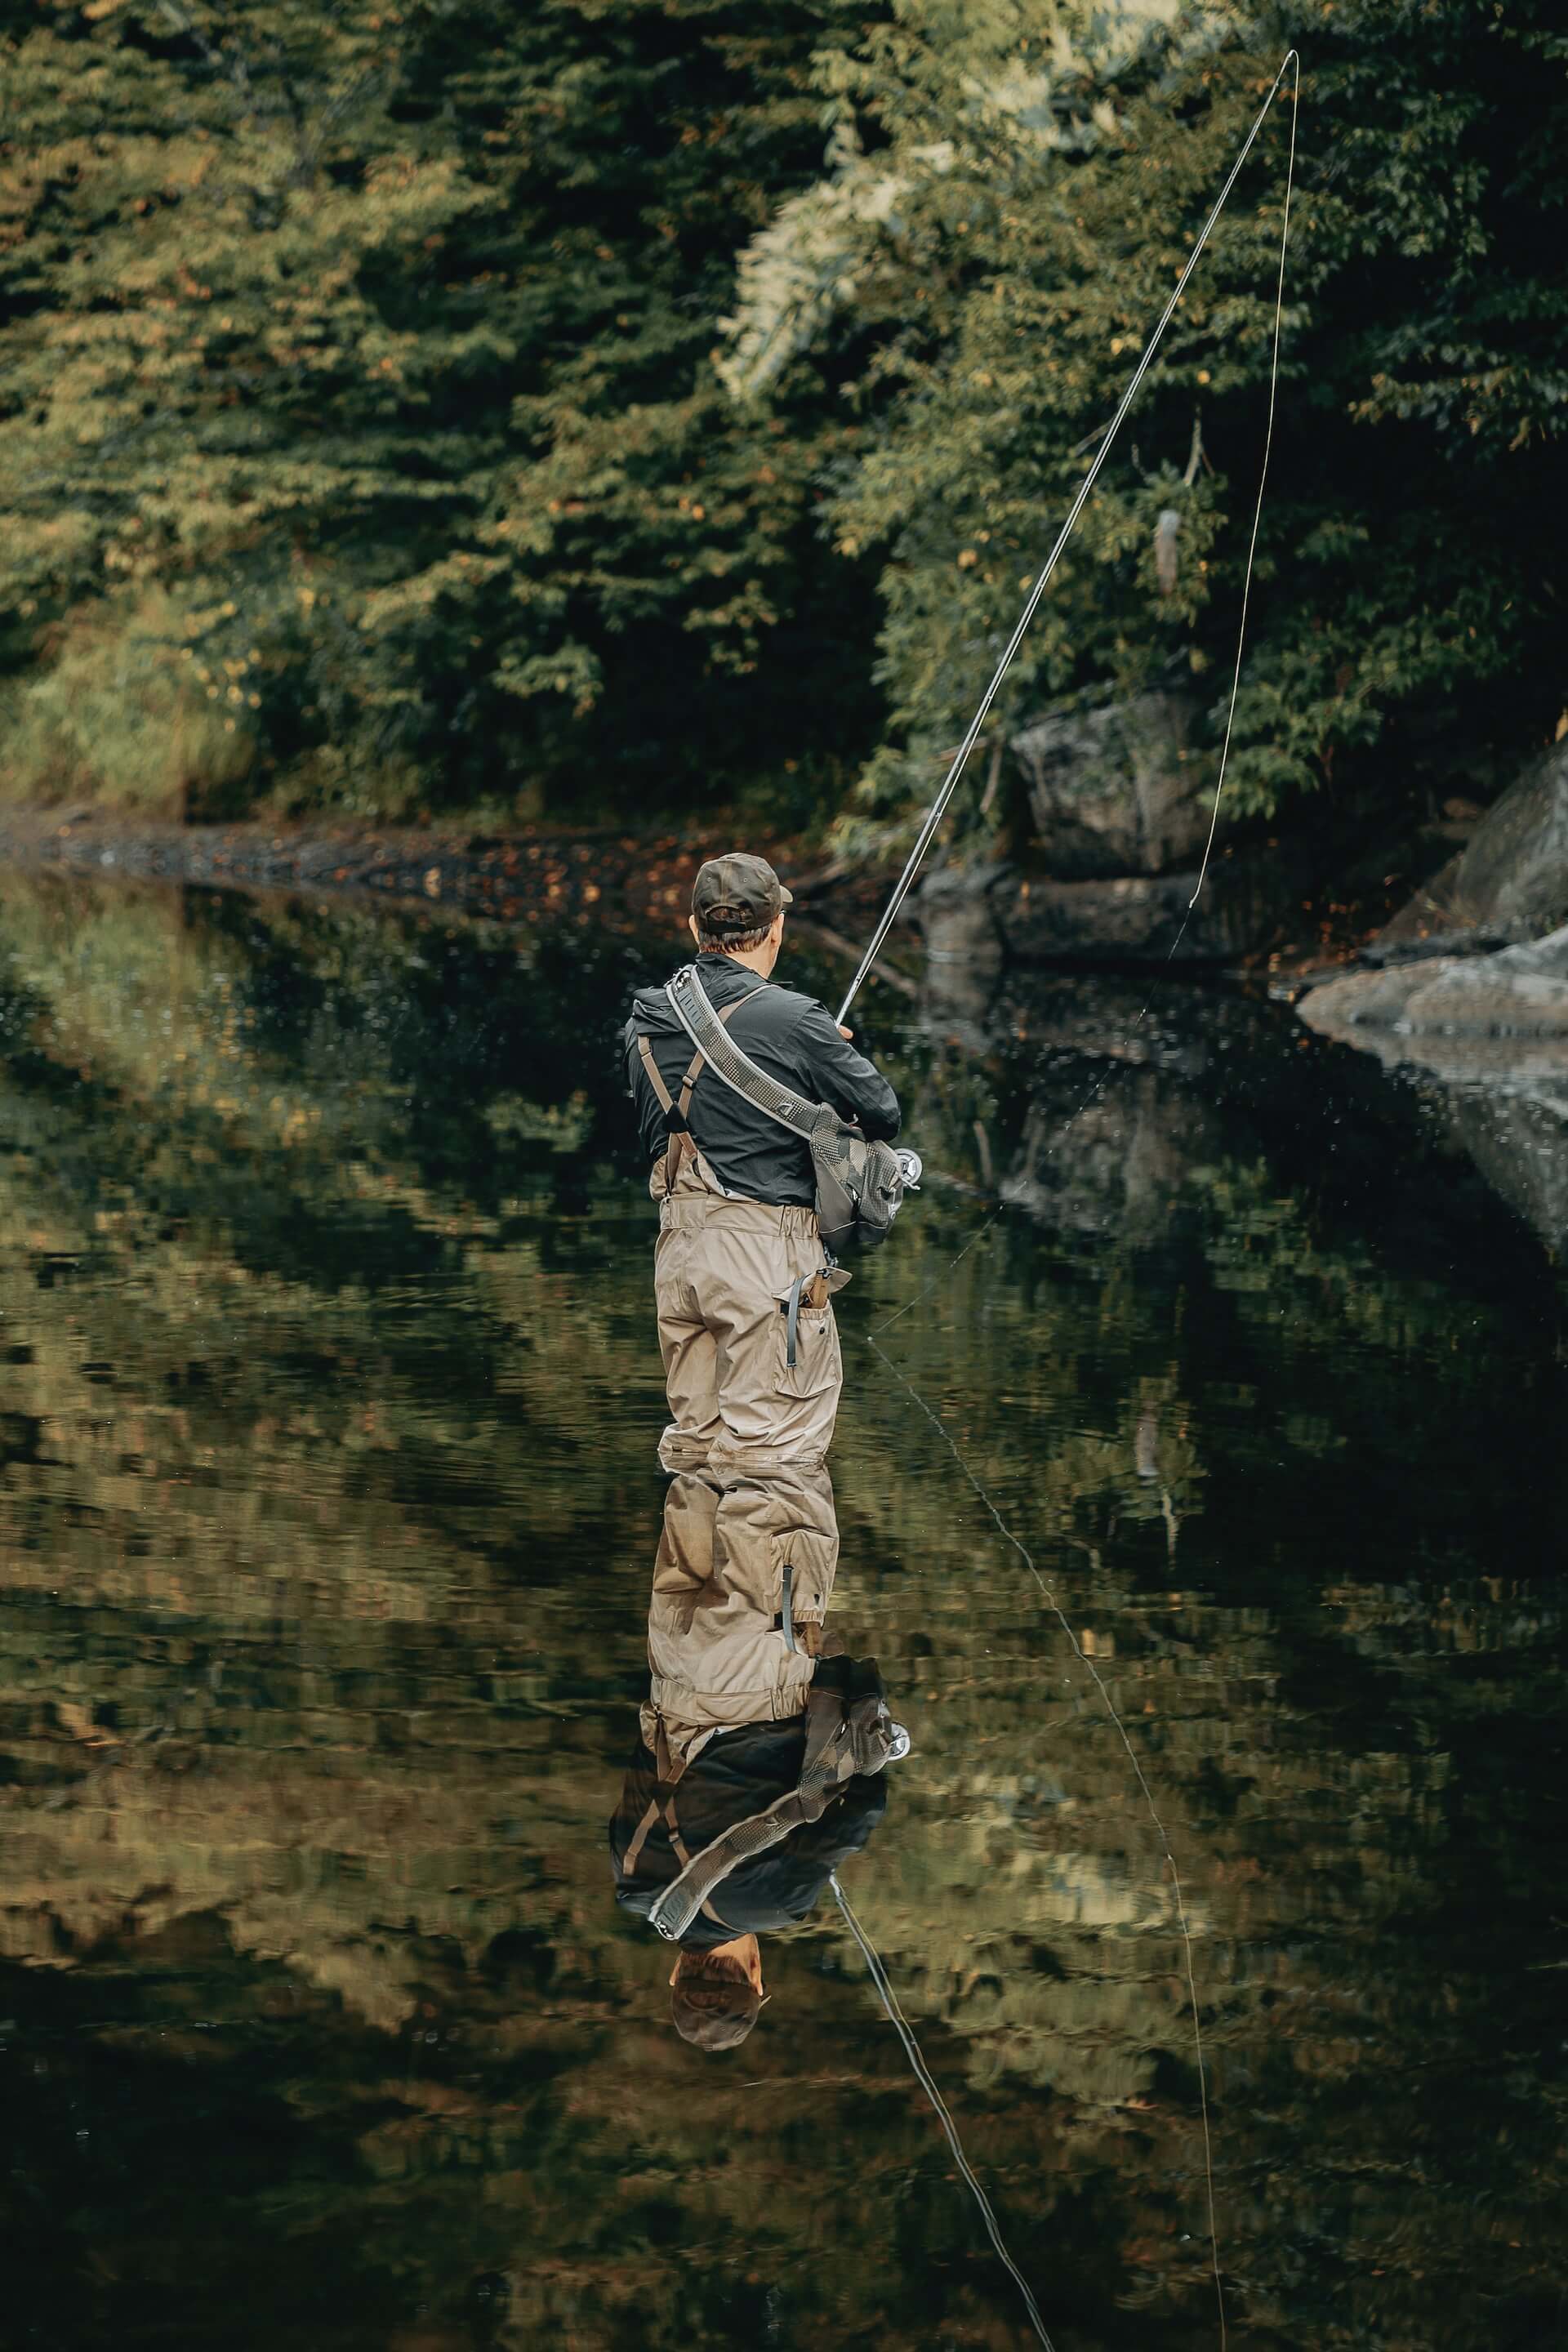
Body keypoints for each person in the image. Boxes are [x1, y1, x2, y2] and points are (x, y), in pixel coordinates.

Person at [623, 853, 901, 1645]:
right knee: (777, 1465)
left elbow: (649, 1129)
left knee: (697, 1455)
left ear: (694, 928)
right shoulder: (795, 1019)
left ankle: (691, 1687)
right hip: (764, 1265)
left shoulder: (646, 1017)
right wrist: (819, 1058)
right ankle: (747, 1689)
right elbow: (882, 1110)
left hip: (678, 1255)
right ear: (776, 928)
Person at [608, 1470, 900, 2052]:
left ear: (756, 1977)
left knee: (778, 1468)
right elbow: (646, 1762)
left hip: (758, 1675)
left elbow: (866, 1805)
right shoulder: (632, 1880)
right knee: (698, 1468)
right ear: (676, 1974)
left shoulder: (775, 1905)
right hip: (671, 1668)